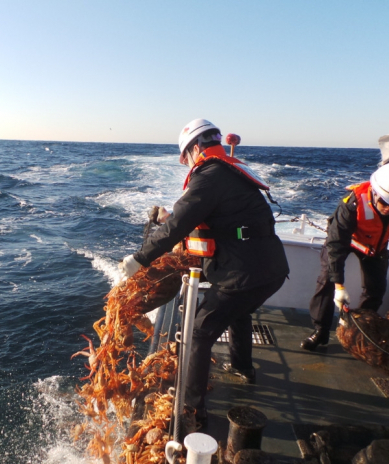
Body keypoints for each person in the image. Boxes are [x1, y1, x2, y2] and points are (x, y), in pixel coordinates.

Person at [120, 118, 289, 425]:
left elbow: (176, 227)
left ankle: (191, 411)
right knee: (238, 311)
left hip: (245, 272)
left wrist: (138, 260)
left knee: (199, 332)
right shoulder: (227, 172)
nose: (187, 164)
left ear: (196, 148)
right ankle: (242, 367)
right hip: (270, 268)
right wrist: (173, 215)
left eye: (186, 158)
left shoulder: (209, 176)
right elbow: (212, 214)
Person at [300, 163, 389, 351]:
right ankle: (320, 331)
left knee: (377, 289)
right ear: (375, 193)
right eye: (385, 203)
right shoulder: (352, 203)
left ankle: (359, 331)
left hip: (374, 248)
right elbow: (336, 244)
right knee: (326, 282)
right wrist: (339, 285)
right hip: (347, 241)